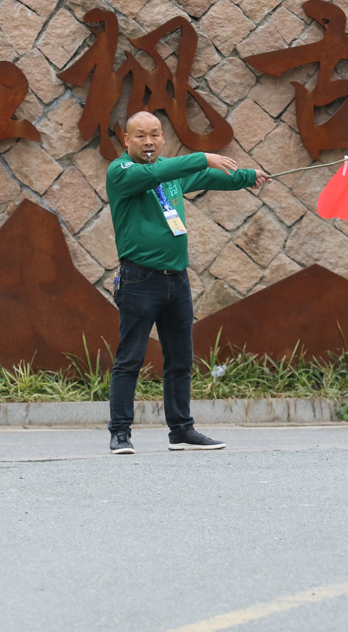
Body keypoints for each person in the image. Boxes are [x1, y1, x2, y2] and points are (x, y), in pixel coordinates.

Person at [105, 111, 270, 454]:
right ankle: (120, 433)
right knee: (130, 359)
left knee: (180, 358)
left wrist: (247, 176)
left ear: (162, 138)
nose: (148, 141)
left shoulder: (170, 174)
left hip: (176, 280)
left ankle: (181, 430)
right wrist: (203, 155)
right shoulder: (122, 172)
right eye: (140, 136)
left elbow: (207, 177)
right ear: (126, 140)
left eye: (154, 134)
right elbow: (166, 170)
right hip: (139, 279)